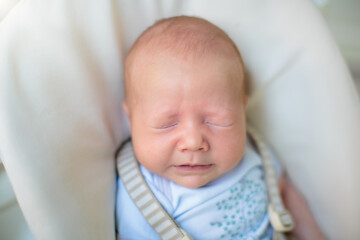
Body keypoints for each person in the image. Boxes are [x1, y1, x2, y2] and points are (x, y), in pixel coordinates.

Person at [116, 16, 324, 240]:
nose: (194, 142)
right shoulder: (144, 196)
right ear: (131, 119)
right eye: (167, 124)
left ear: (242, 112)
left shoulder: (255, 153)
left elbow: (286, 193)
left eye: (217, 120)